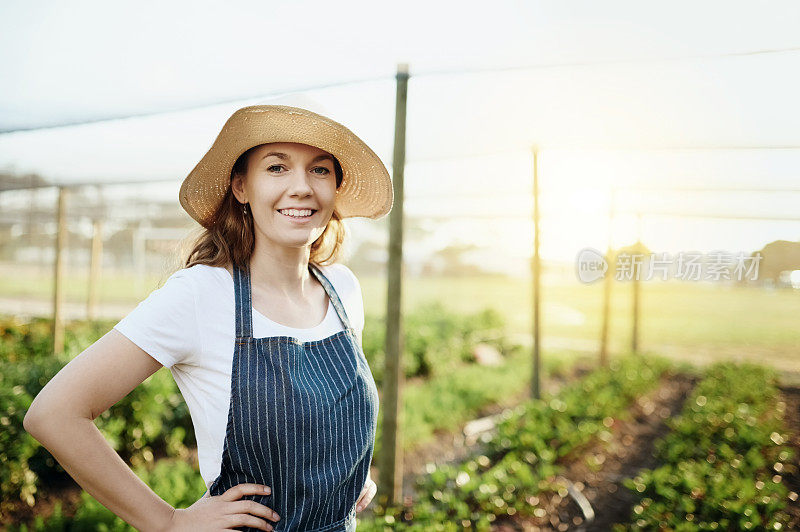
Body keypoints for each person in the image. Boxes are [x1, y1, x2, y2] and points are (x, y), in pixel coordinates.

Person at [23, 104, 393, 531]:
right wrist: (168, 522)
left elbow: (325, 411)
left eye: (320, 170)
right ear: (241, 187)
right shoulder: (202, 295)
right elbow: (55, 413)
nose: (302, 188)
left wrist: (341, 472)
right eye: (277, 168)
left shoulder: (342, 289)